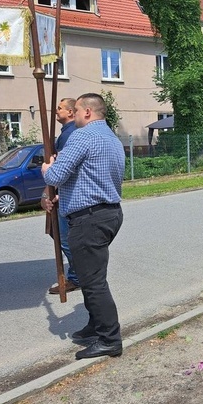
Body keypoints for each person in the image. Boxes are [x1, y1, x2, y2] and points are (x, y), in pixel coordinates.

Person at [42, 93, 125, 360]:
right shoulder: (112, 138)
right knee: (92, 277)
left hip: (89, 220)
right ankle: (96, 326)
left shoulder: (82, 136)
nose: (73, 115)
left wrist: (47, 168)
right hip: (108, 214)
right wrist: (61, 196)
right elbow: (90, 178)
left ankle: (110, 339)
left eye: (76, 110)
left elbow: (56, 175)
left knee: (94, 282)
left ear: (87, 112)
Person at [46, 98, 80, 295]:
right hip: (61, 192)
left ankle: (77, 276)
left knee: (65, 237)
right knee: (57, 233)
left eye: (59, 108)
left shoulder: (71, 134)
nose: (56, 111)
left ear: (70, 112)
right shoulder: (65, 133)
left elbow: (62, 168)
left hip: (66, 194)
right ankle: (79, 273)